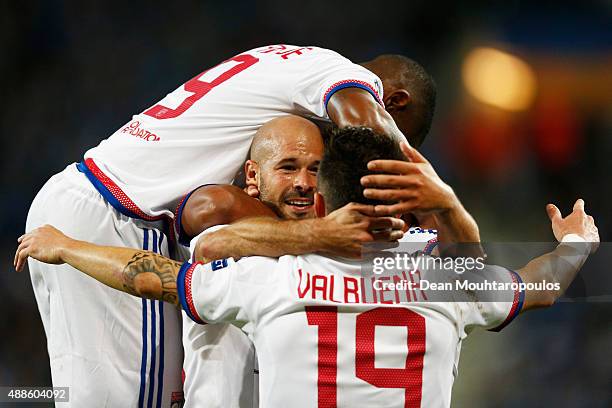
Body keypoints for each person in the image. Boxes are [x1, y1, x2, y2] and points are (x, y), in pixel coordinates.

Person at [16, 127, 599, 408]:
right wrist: (576, 244)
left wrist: (66, 245)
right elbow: (543, 285)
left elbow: (152, 275)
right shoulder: (445, 280)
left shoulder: (273, 274)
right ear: (404, 201)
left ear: (325, 199)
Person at [26, 44, 444, 407]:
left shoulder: (290, 65)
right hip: (118, 217)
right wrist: (427, 200)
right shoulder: (343, 78)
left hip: (92, 205)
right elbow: (367, 132)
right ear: (393, 104)